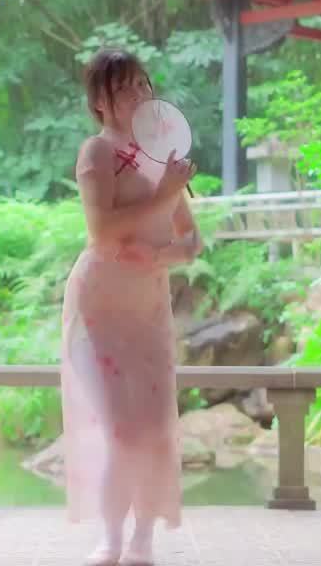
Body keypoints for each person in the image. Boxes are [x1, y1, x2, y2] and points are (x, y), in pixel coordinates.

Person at [60, 48, 203, 566]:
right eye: (124, 88)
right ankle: (111, 538)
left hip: (148, 307)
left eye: (143, 84)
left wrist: (158, 254)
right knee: (121, 427)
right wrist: (165, 192)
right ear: (100, 101)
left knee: (154, 429)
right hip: (100, 306)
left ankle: (143, 538)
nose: (139, 94)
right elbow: (101, 231)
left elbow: (192, 242)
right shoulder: (96, 152)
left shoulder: (159, 154)